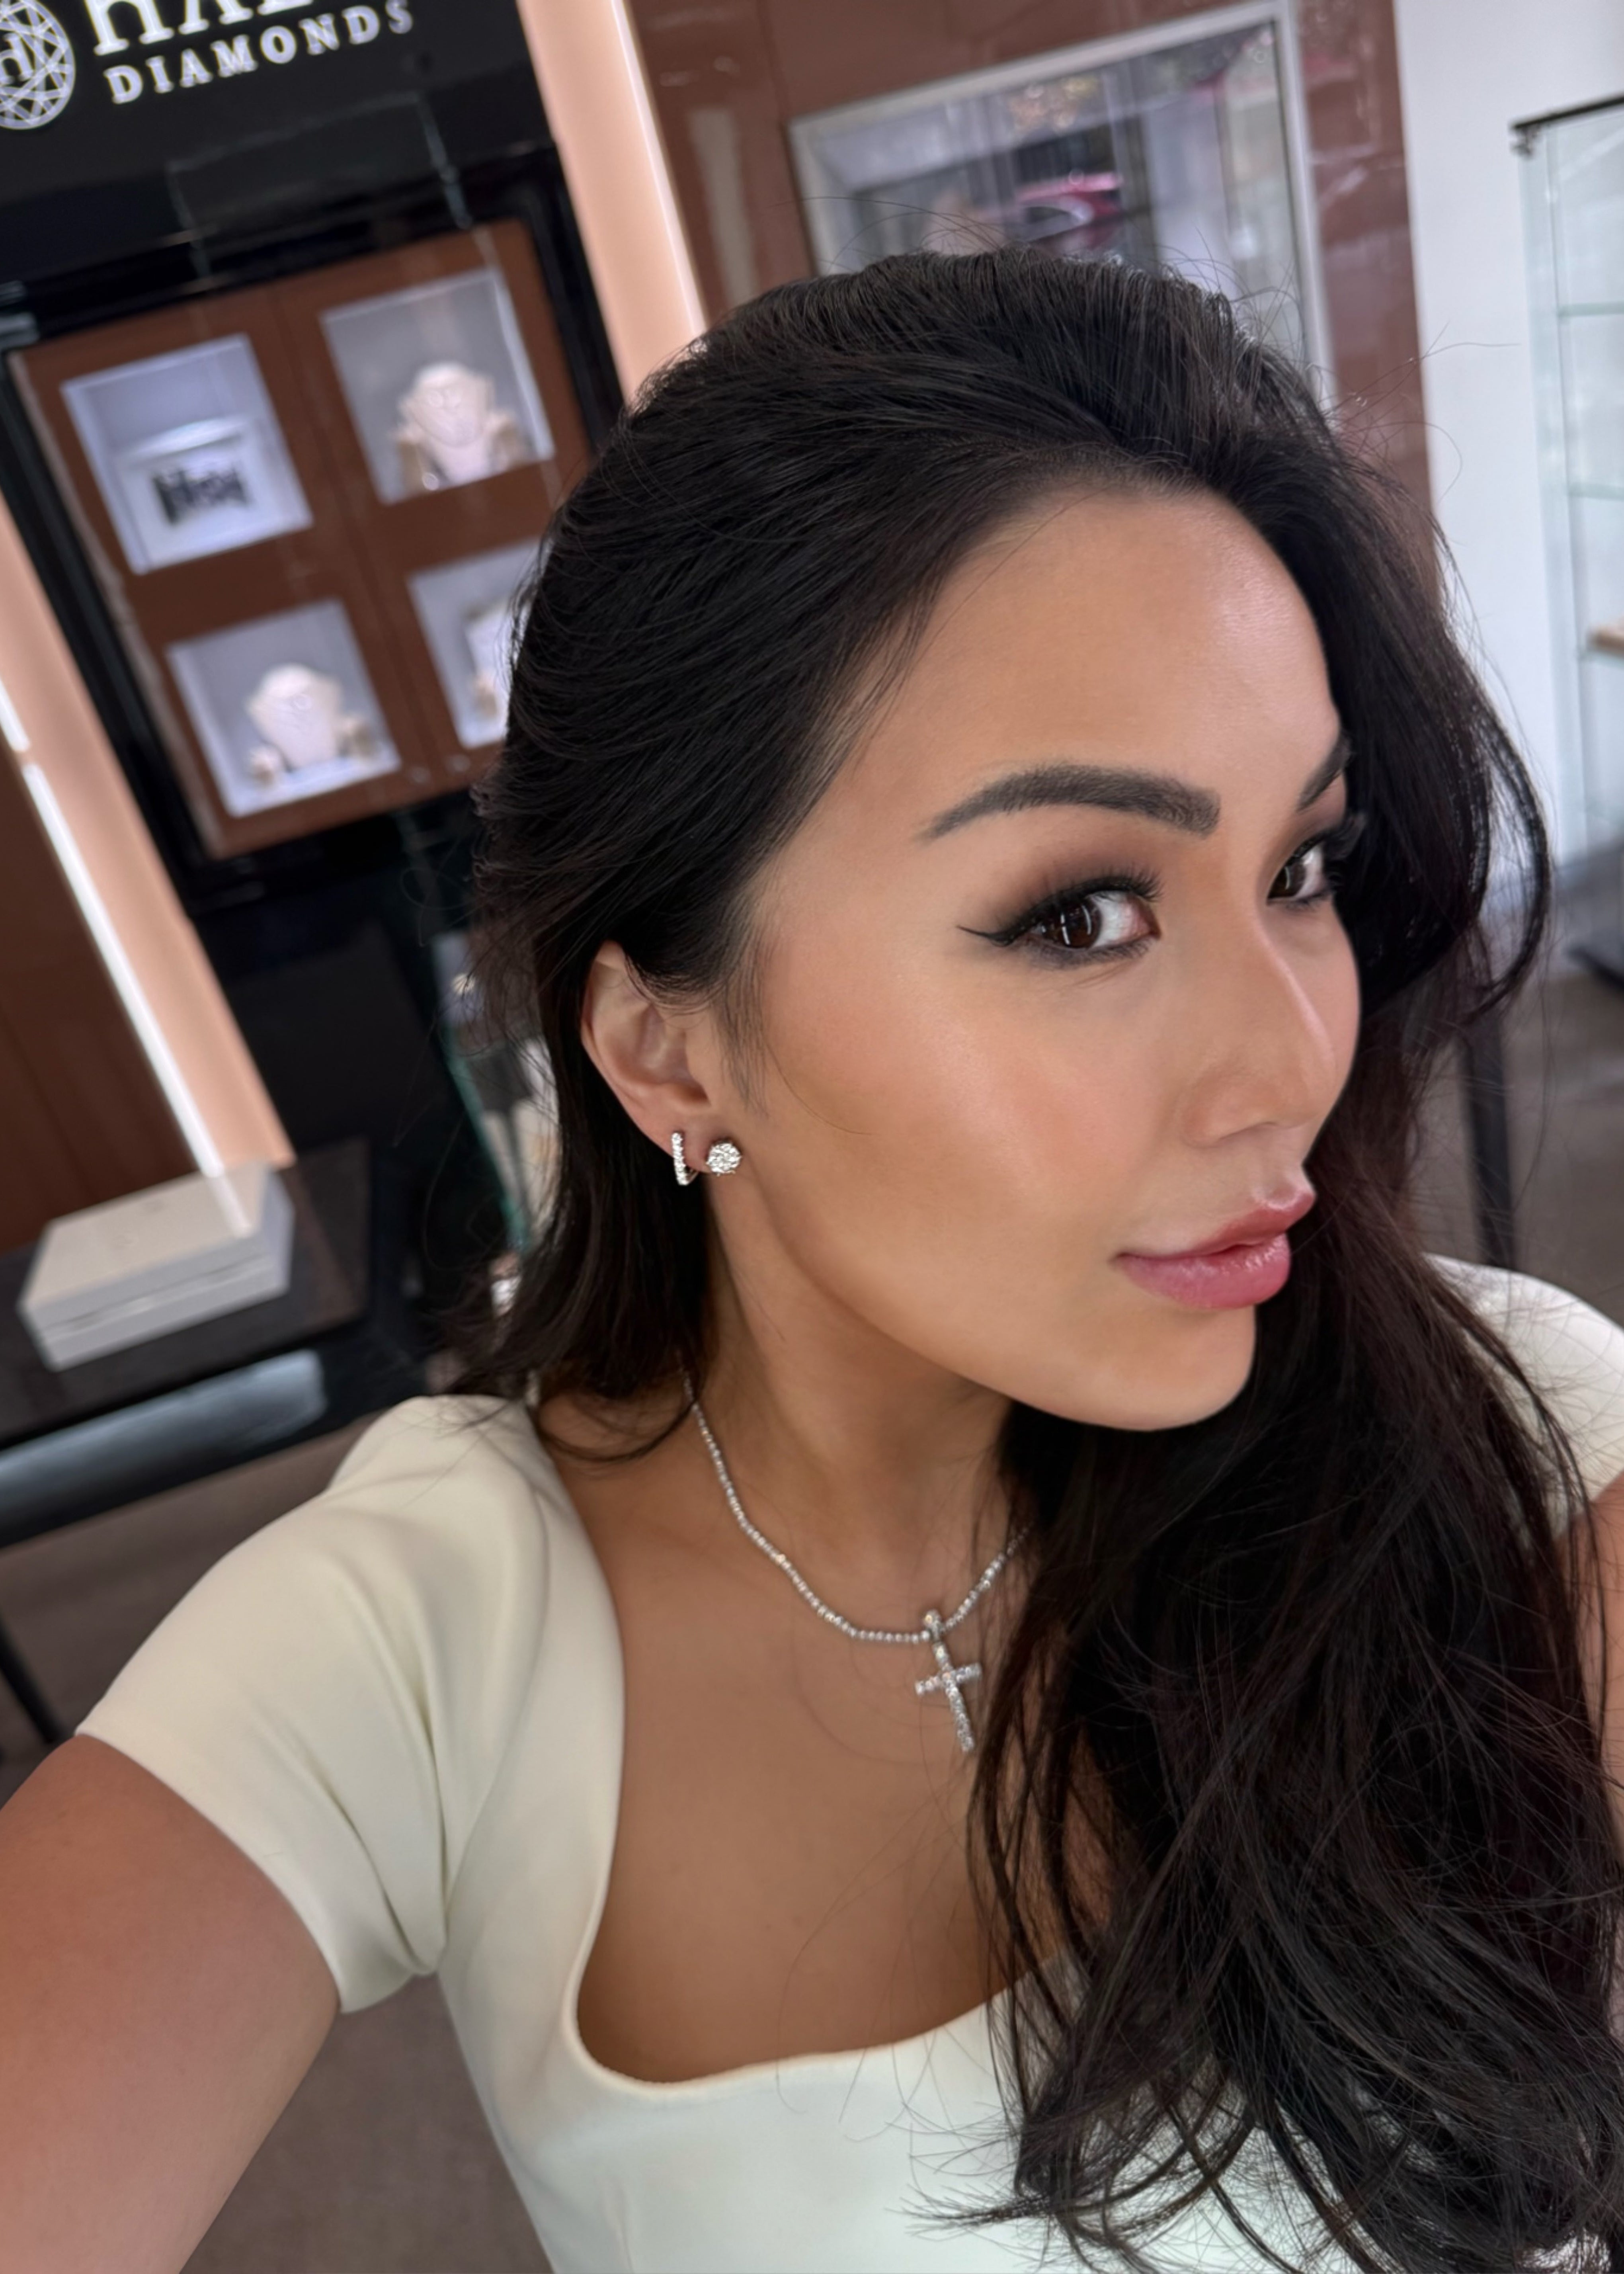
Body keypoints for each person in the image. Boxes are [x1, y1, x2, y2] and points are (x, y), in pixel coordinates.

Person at [4, 249, 1624, 2274]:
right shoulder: (429, 1643)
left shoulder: (1513, 1428)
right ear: (668, 1047)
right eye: (1077, 915)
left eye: (1295, 868)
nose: (1294, 1050)